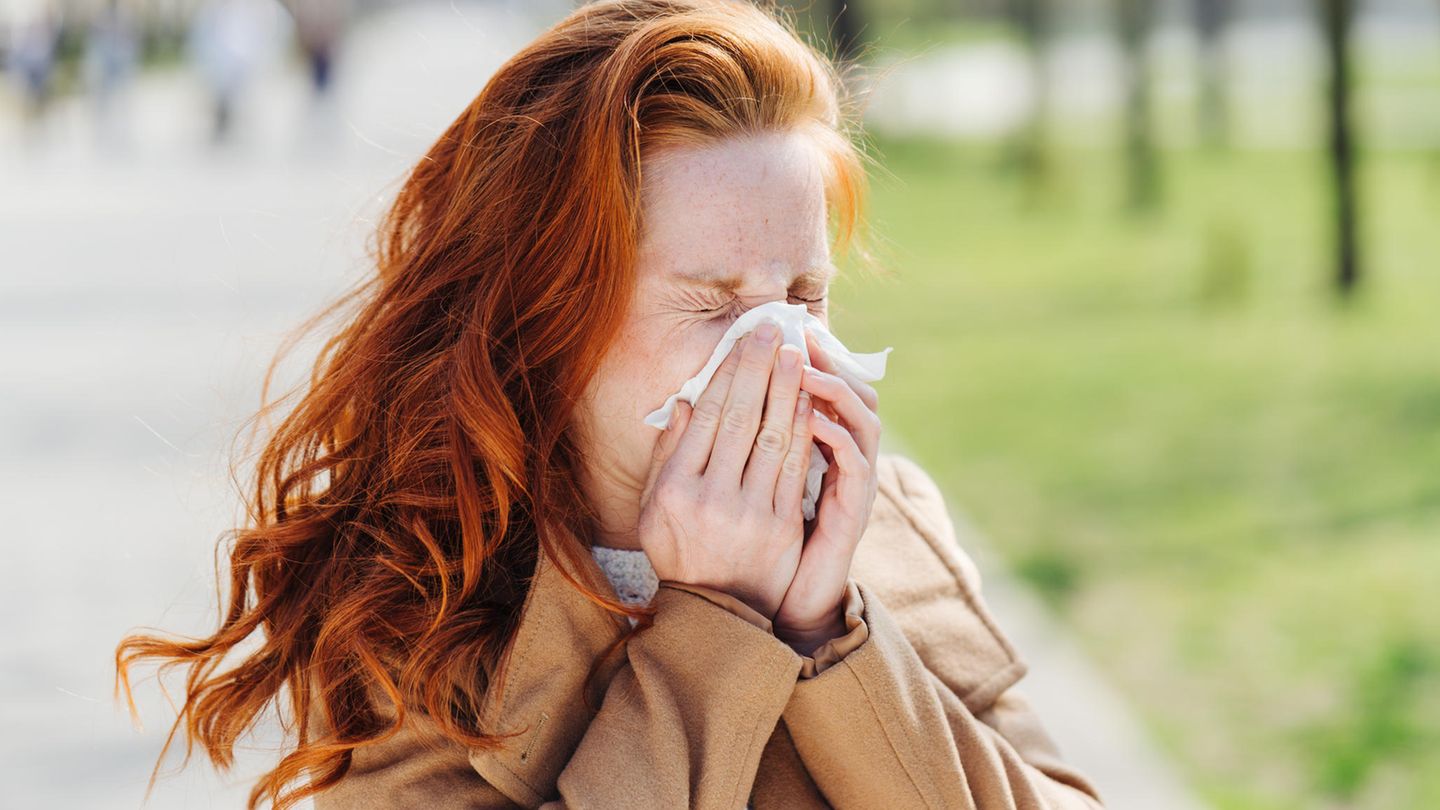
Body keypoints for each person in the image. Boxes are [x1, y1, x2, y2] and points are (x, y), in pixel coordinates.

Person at [115, 1, 1105, 807]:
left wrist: (824, 632)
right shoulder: (417, 607)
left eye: (805, 296)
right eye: (711, 304)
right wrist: (717, 623)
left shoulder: (883, 521)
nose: (783, 350)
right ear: (548, 319)